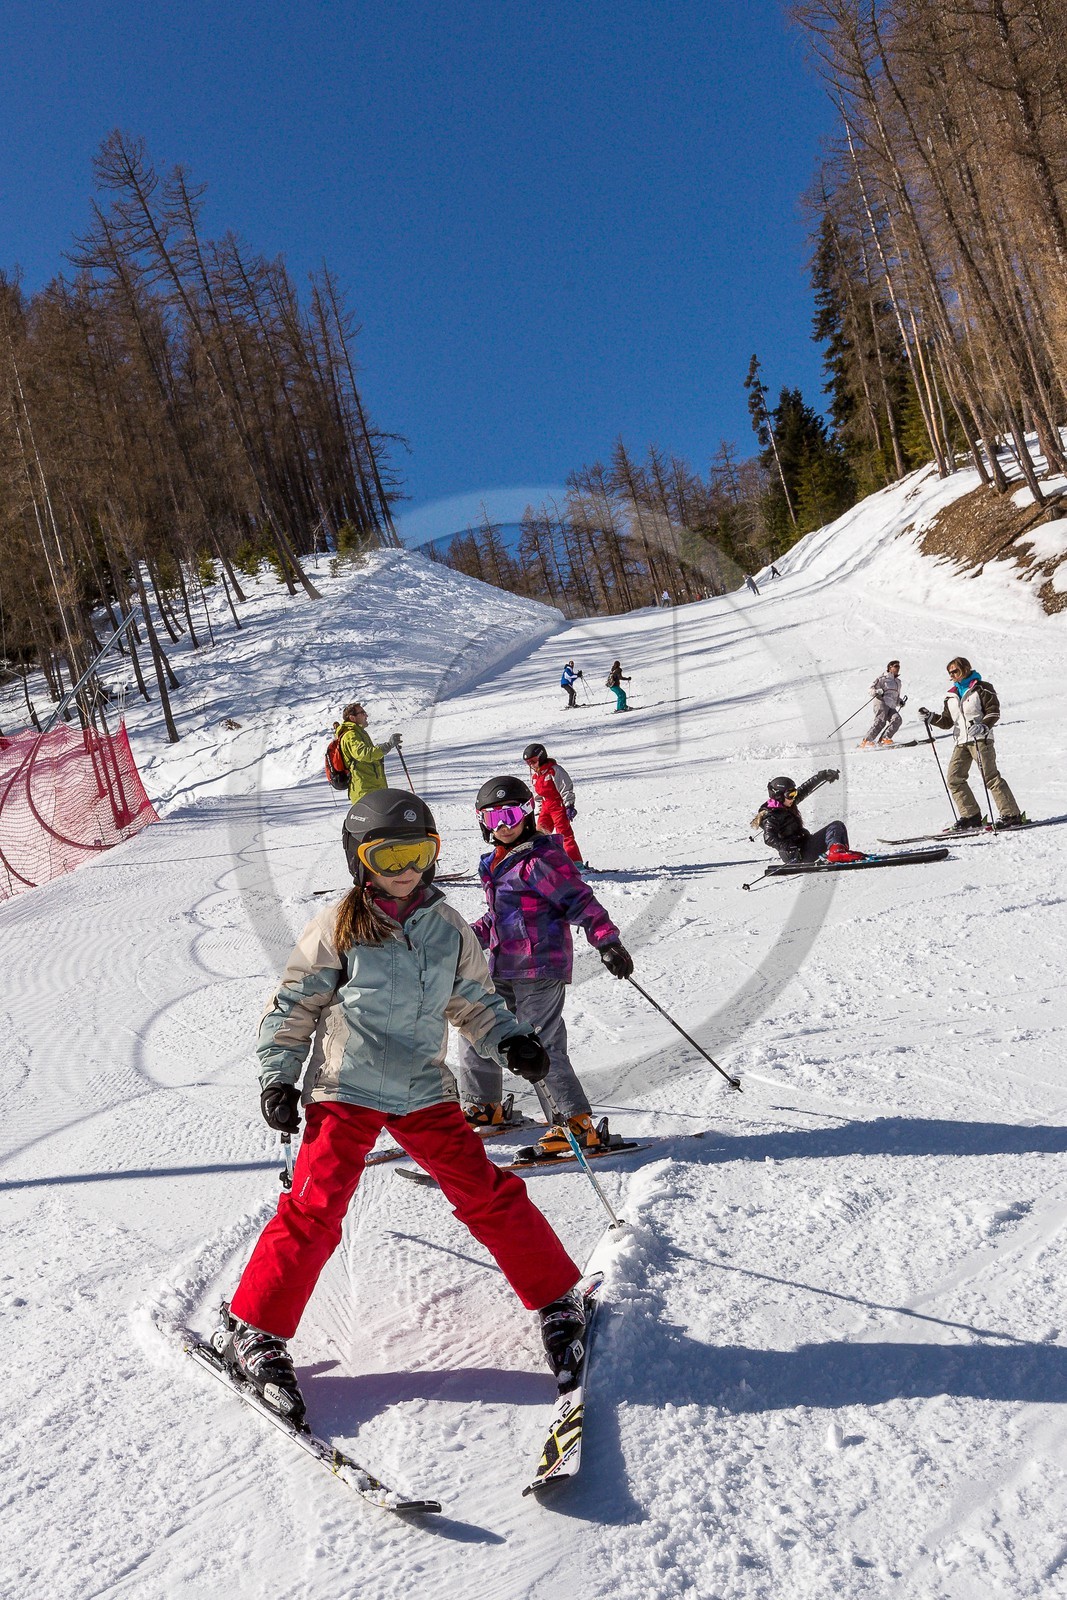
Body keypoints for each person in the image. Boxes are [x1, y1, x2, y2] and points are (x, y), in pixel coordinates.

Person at [213, 789, 591, 1424]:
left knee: (486, 1192)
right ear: (360, 860)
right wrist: (278, 1078)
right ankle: (252, 1328)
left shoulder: (448, 930)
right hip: (345, 1088)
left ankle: (557, 1298)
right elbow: (292, 1008)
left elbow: (475, 1004)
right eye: (389, 856)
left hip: (421, 1089)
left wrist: (512, 1040)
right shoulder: (336, 926)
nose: (406, 869)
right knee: (314, 1206)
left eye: (419, 853)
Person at [457, 774, 634, 1158]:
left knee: (538, 1042)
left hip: (540, 967)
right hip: (502, 963)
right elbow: (497, 918)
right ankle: (484, 1105)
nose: (504, 825)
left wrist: (607, 941)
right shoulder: (498, 863)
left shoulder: (541, 859)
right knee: (477, 1025)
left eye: (512, 814)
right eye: (493, 818)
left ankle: (574, 1122)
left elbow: (580, 901)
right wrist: (463, 938)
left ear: (528, 813)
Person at [919, 657, 1023, 829]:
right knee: (954, 779)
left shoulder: (982, 688)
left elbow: (994, 712)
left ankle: (1011, 814)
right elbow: (946, 722)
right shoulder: (951, 695)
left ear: (966, 668)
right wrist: (930, 717)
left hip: (980, 739)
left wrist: (983, 727)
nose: (952, 675)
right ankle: (971, 816)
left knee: (990, 777)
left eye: (955, 670)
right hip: (961, 741)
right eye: (950, 672)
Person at [751, 770, 864, 864]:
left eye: (794, 793)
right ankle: (837, 854)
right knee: (835, 826)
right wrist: (787, 847)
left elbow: (805, 789)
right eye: (790, 795)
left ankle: (840, 852)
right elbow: (769, 838)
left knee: (839, 826)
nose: (793, 797)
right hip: (797, 854)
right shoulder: (771, 816)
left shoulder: (787, 804)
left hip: (804, 845)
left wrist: (822, 776)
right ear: (779, 796)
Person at [522, 742, 583, 864]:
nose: (532, 765)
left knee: (564, 835)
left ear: (541, 757)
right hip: (545, 807)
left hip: (558, 806)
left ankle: (576, 863)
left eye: (533, 761)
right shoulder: (535, 776)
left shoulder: (554, 770)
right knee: (539, 835)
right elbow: (538, 795)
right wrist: (539, 810)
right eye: (529, 763)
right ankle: (542, 863)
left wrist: (569, 805)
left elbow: (566, 787)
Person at [337, 702, 402, 804]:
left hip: (372, 789)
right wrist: (388, 745)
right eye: (362, 713)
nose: (366, 715)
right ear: (352, 718)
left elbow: (368, 754)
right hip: (365, 792)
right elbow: (364, 754)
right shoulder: (351, 735)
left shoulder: (359, 733)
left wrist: (387, 745)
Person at [861, 660, 907, 747]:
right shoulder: (882, 679)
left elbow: (895, 697)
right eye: (896, 666)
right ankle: (867, 741)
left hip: (891, 705)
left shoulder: (898, 682)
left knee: (897, 719)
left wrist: (900, 701)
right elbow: (870, 690)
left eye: (899, 667)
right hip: (881, 702)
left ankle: (884, 739)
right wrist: (877, 691)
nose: (898, 668)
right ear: (890, 667)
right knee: (880, 722)